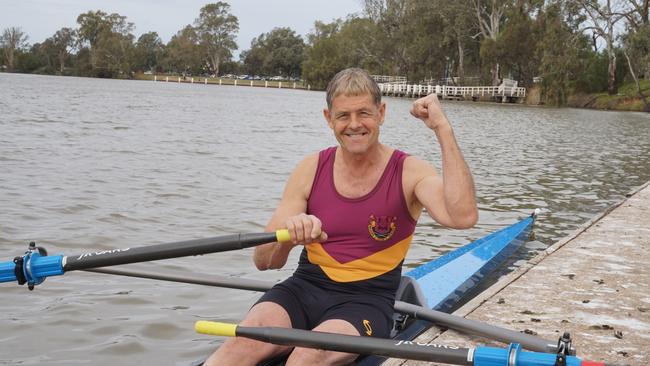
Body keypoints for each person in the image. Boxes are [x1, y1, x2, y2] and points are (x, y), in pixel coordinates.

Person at [205, 68, 478, 365]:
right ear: (328, 118)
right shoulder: (310, 169)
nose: (355, 124)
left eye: (364, 113)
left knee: (307, 356)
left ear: (382, 113)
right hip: (303, 288)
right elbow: (264, 261)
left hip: (367, 301)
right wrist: (289, 238)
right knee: (240, 344)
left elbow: (462, 216)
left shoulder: (409, 172)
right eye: (343, 116)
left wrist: (443, 129)